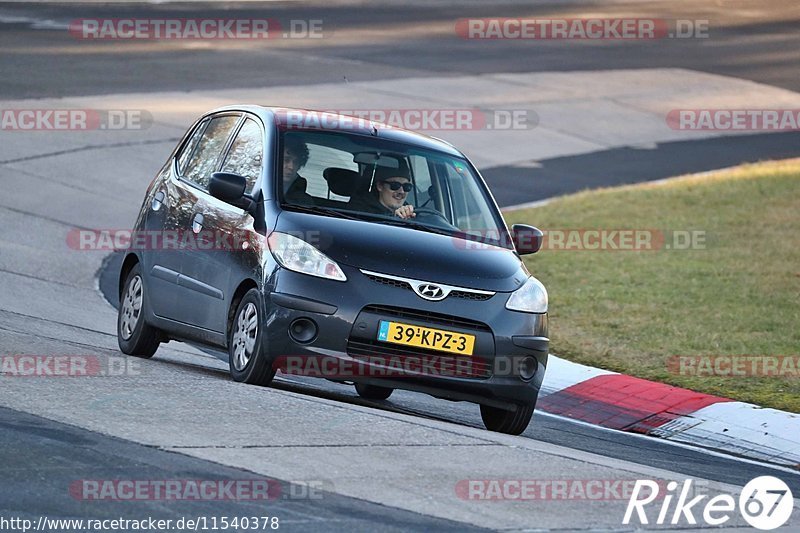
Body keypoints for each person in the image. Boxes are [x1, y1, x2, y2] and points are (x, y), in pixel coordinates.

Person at [350, 163, 416, 219]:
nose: (401, 191)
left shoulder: (412, 215)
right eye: (395, 185)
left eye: (407, 187)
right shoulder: (360, 213)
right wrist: (394, 217)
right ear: (380, 186)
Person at [282, 136, 312, 203]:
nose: (291, 167)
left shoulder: (305, 202)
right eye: (286, 160)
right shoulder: (257, 187)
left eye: (295, 162)